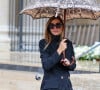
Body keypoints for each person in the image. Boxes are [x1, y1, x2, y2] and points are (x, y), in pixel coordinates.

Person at [39, 16, 76, 90]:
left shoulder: (67, 43)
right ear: (48, 28)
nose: (55, 28)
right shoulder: (43, 43)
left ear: (62, 27)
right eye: (52, 26)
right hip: (50, 86)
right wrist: (59, 50)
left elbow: (73, 66)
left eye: (58, 25)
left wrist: (68, 64)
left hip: (66, 85)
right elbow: (46, 65)